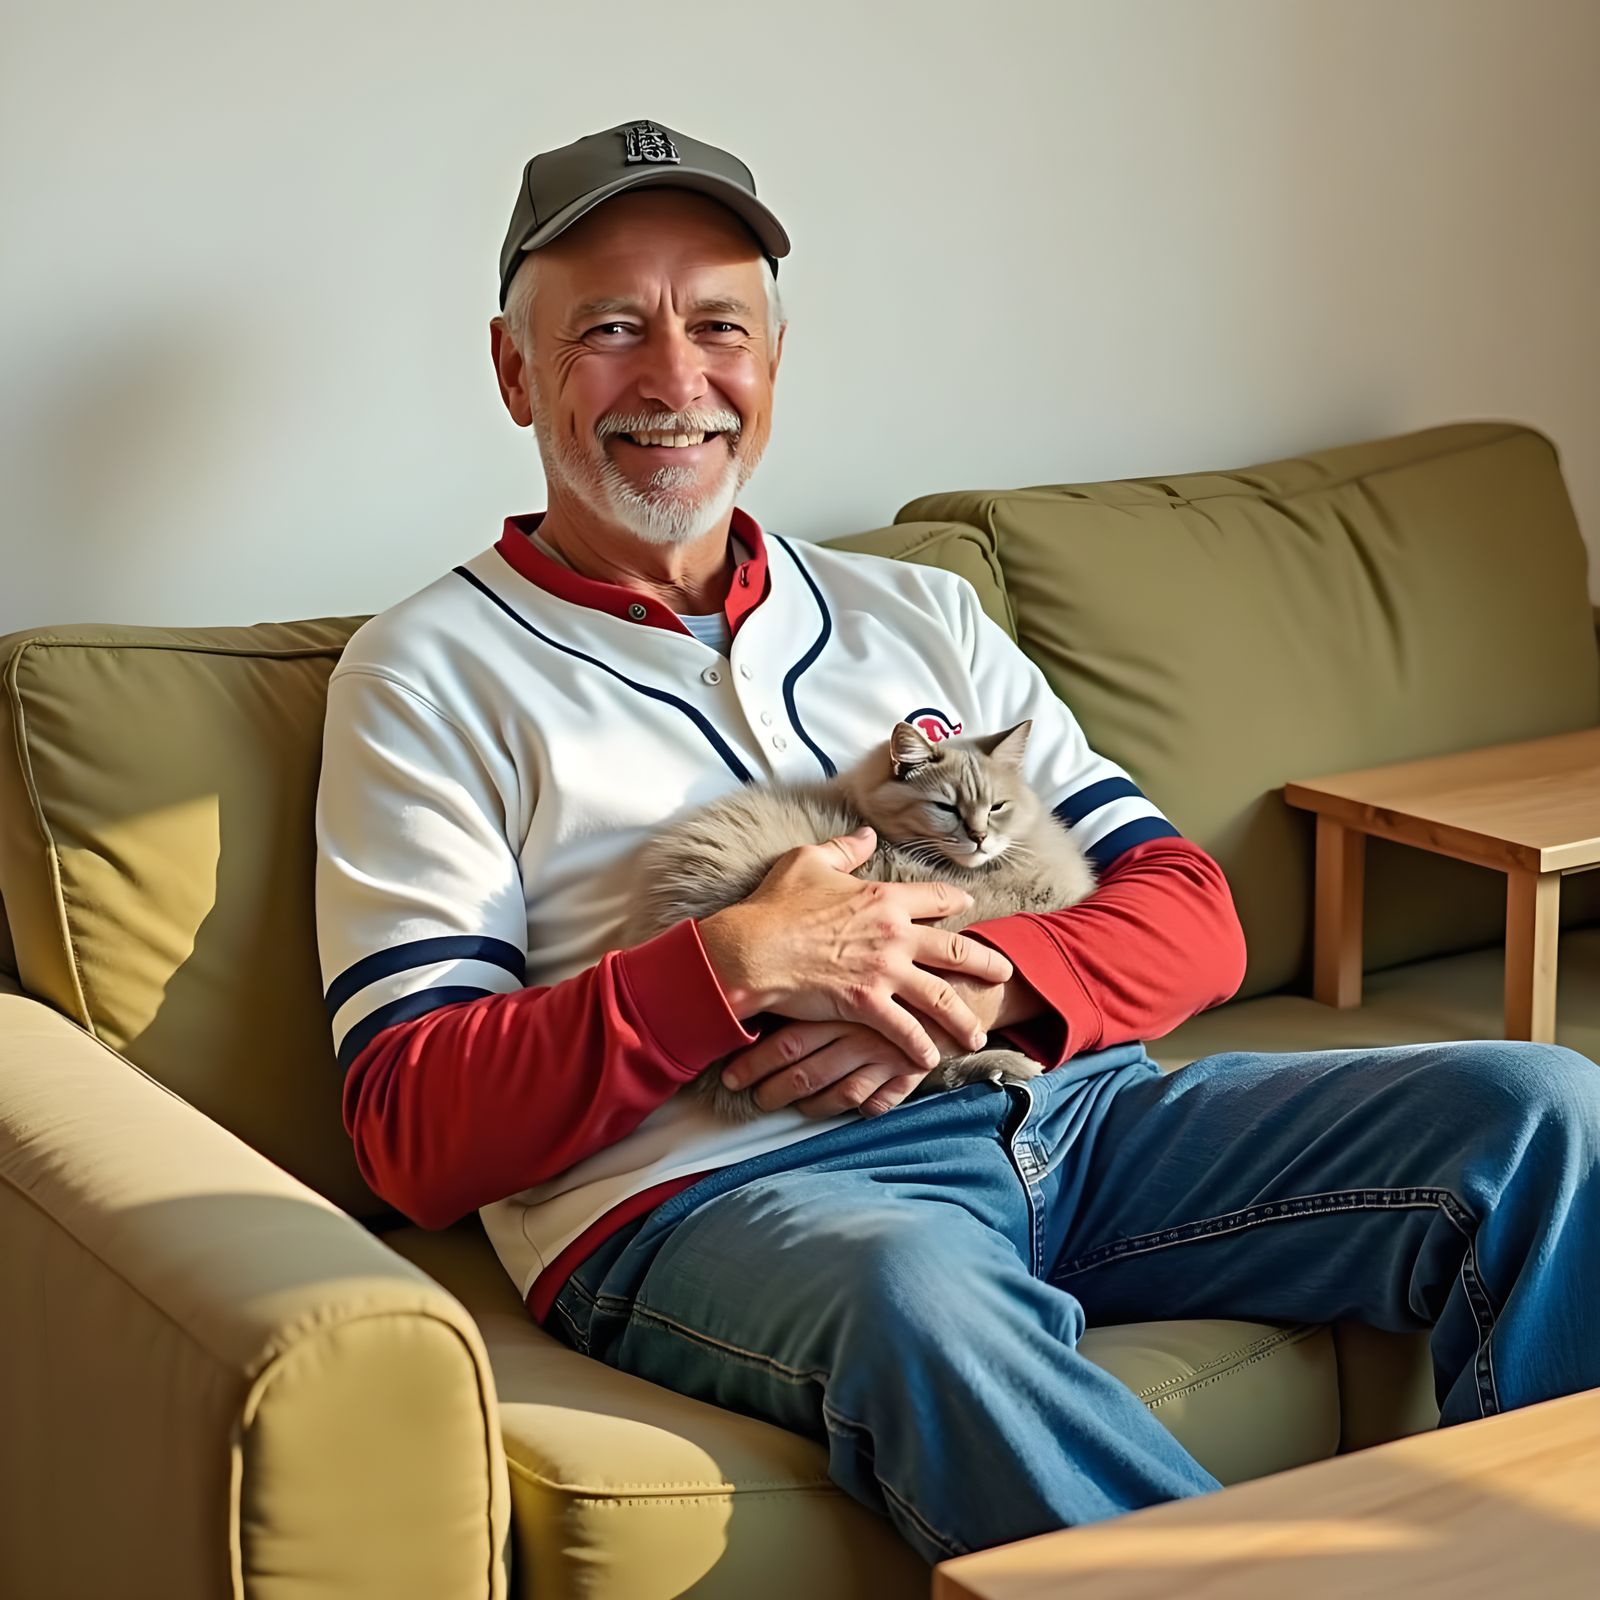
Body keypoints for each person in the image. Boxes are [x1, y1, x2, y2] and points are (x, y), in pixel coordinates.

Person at [314, 119, 1600, 1564]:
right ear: (513, 369)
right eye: (610, 330)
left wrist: (982, 978)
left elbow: (1189, 909)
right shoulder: (425, 672)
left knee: (1540, 1109)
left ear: (772, 367)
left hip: (1076, 1119)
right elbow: (410, 1128)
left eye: (718, 326)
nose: (675, 380)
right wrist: (734, 964)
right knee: (919, 1287)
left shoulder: (913, 614)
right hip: (731, 1196)